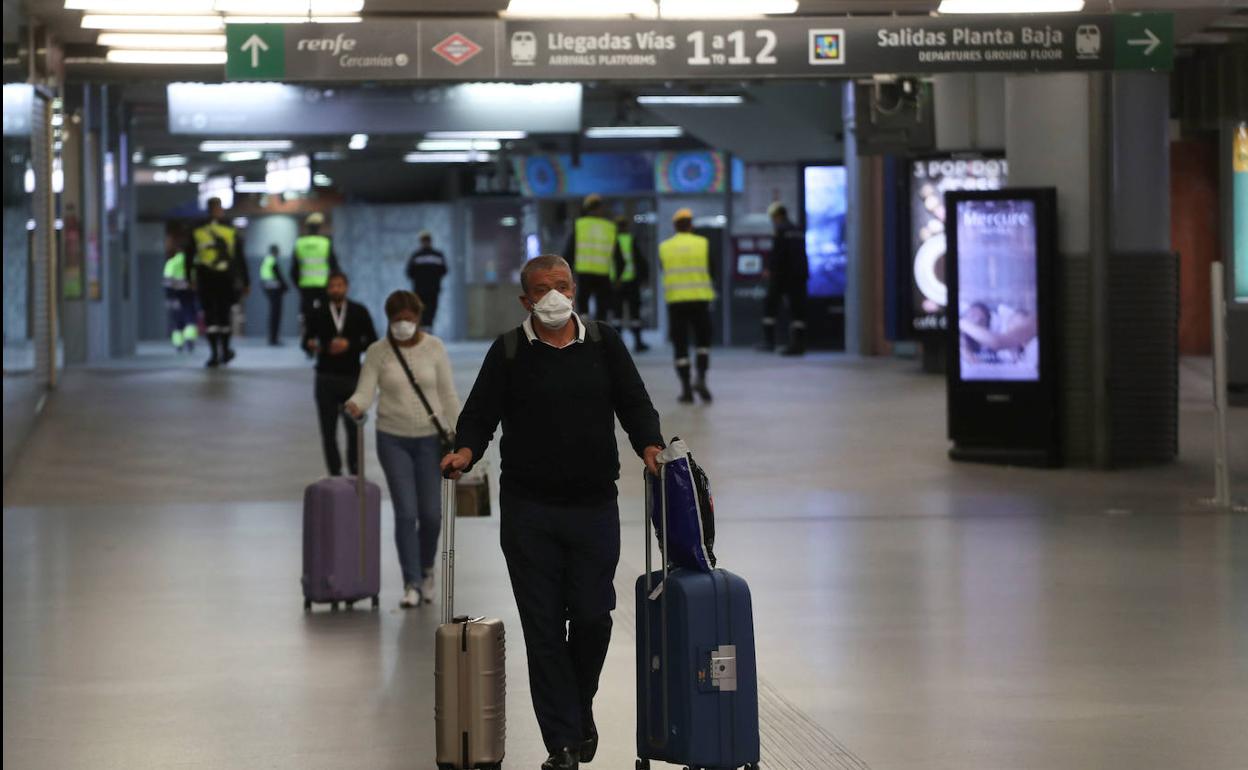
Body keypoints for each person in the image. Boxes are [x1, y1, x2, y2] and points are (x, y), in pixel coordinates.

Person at [442, 255, 663, 770]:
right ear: (525, 300)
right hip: (529, 511)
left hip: (592, 507)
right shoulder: (510, 352)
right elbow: (479, 413)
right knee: (542, 628)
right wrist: (466, 450)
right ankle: (562, 743)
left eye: (561, 286)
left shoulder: (605, 344)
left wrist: (649, 445)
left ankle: (578, 709)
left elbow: (634, 403)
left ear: (575, 289)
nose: (553, 297)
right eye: (542, 290)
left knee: (593, 617)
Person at [346, 291, 459, 609]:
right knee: (406, 512)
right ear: (388, 320)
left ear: (418, 318)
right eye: (397, 320)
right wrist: (356, 404)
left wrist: (463, 434)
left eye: (408, 319)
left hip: (430, 439)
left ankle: (426, 570)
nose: (403, 325)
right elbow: (366, 389)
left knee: (431, 515)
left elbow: (448, 394)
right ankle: (410, 581)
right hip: (392, 437)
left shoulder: (435, 348)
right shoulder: (378, 352)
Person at [303, 272, 377, 478]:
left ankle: (355, 471)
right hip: (325, 377)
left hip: (352, 378)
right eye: (332, 286)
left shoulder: (358, 311)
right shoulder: (316, 313)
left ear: (346, 287)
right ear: (328, 289)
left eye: (340, 285)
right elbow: (306, 341)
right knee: (328, 430)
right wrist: (314, 346)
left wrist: (350, 345)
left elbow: (372, 341)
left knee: (354, 429)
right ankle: (334, 472)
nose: (336, 289)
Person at [659, 208, 716, 404]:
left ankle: (686, 390)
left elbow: (663, 270)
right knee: (702, 344)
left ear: (675, 226)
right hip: (700, 301)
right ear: (691, 225)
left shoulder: (665, 247)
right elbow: (713, 270)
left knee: (680, 346)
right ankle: (700, 378)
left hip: (676, 303)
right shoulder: (703, 244)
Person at [188, 197, 249, 368]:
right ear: (219, 209)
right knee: (222, 316)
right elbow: (238, 256)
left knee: (212, 317)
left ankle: (217, 353)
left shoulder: (198, 229)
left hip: (206, 277)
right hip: (223, 278)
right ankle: (222, 351)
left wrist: (189, 277)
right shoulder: (229, 229)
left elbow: (189, 255)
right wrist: (245, 281)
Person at [563, 193, 623, 322]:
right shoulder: (610, 228)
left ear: (586, 208)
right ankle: (600, 334)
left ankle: (584, 335)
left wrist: (566, 274)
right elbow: (619, 257)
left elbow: (569, 251)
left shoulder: (579, 225)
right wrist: (618, 277)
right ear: (600, 208)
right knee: (602, 308)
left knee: (583, 307)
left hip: (584, 273)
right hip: (603, 274)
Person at [760, 201, 809, 356]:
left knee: (770, 306)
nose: (773, 220)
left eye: (773, 217)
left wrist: (769, 269)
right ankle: (799, 344)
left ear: (778, 216)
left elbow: (777, 254)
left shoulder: (780, 230)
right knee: (798, 311)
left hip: (782, 275)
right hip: (799, 275)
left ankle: (769, 342)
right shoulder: (797, 230)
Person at [291, 212, 341, 358]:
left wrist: (299, 285)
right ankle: (325, 343)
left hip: (306, 286)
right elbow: (334, 266)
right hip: (324, 286)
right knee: (325, 314)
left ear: (307, 227)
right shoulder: (325, 243)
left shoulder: (299, 243)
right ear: (319, 227)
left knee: (308, 317)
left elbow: (294, 269)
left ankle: (308, 346)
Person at [612, 215, 650, 353]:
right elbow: (639, 260)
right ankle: (638, 343)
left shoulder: (612, 241)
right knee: (635, 314)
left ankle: (616, 345)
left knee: (617, 315)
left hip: (616, 283)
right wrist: (644, 278)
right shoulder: (631, 240)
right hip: (632, 282)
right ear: (626, 227)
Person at [405, 229, 449, 331]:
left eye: (426, 240)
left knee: (424, 310)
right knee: (429, 310)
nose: (425, 242)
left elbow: (409, 273)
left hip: (422, 290)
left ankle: (424, 329)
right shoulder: (437, 255)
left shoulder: (416, 256)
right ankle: (426, 329)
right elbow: (444, 270)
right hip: (432, 289)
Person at [162, 233, 198, 354]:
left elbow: (167, 282)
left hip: (175, 295)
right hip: (189, 294)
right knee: (190, 317)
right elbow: (196, 280)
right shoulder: (193, 263)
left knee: (177, 321)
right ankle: (190, 339)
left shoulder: (171, 263)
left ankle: (178, 344)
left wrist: (169, 296)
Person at [259, 244, 289, 346]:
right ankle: (273, 339)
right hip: (274, 289)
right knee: (276, 314)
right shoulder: (272, 260)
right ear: (275, 251)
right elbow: (278, 275)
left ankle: (272, 338)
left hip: (268, 288)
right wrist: (285, 286)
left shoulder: (266, 260)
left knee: (273, 314)